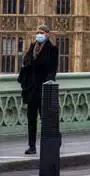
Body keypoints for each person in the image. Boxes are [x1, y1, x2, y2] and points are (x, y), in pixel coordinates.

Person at [17, 23, 59, 154]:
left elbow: (52, 70)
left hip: (43, 90)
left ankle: (54, 140)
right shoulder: (32, 47)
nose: (38, 35)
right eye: (37, 33)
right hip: (32, 90)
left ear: (47, 34)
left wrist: (47, 85)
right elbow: (26, 65)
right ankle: (32, 146)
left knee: (46, 119)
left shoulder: (52, 49)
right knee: (31, 119)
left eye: (41, 33)